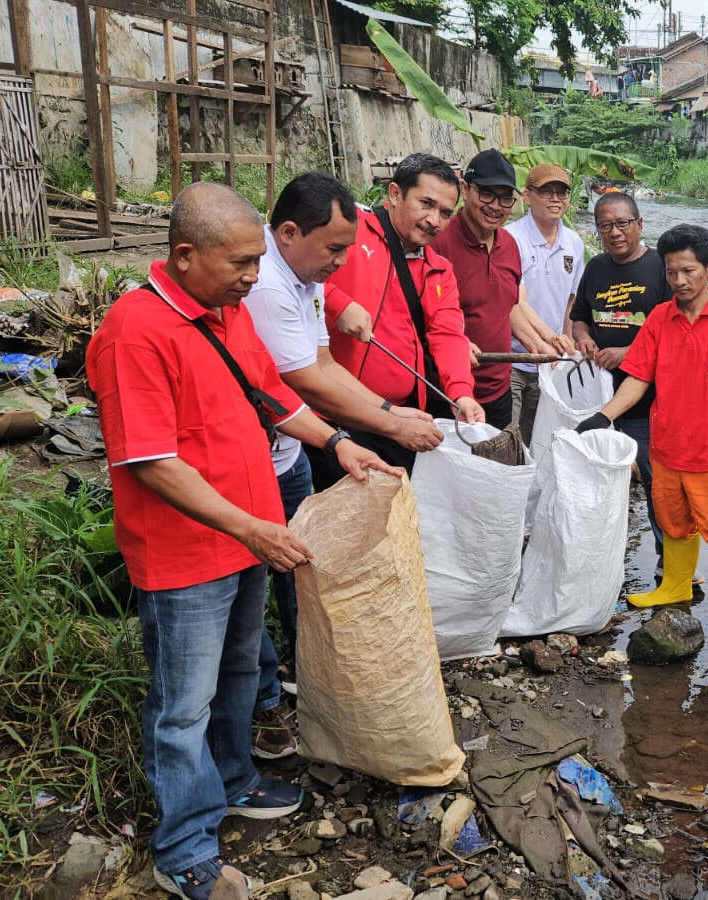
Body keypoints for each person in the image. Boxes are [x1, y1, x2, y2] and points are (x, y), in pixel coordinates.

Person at [87, 182, 397, 899]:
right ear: (185, 255)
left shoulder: (226, 313)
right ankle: (183, 846)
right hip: (186, 554)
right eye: (241, 263)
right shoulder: (137, 330)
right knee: (180, 706)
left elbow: (273, 394)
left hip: (249, 540)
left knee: (235, 678)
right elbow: (152, 463)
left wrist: (338, 442)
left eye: (259, 260)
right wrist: (252, 525)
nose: (254, 277)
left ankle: (232, 780)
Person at [241, 172, 443, 759]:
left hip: (286, 456)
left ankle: (310, 673)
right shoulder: (266, 285)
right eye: (333, 249)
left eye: (348, 247)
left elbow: (322, 357)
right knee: (253, 585)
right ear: (287, 232)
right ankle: (262, 706)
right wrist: (382, 423)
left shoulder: (305, 274)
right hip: (255, 461)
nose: (342, 260)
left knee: (303, 572)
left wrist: (385, 407)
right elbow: (306, 383)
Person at [575, 224, 708, 644]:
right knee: (674, 523)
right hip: (665, 447)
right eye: (672, 273)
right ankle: (674, 585)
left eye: (688, 271)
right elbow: (637, 378)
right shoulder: (660, 318)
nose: (679, 281)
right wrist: (602, 417)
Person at [316, 153, 483, 485]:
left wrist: (462, 393)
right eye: (426, 204)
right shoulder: (353, 231)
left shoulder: (439, 270)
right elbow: (292, 268)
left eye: (445, 213)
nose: (434, 220)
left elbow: (448, 334)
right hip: (339, 413)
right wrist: (335, 302)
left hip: (402, 418)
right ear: (395, 194)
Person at [570, 192, 671, 558]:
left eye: (622, 223)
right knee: (602, 476)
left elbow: (674, 335)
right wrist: (582, 338)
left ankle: (670, 561)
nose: (614, 232)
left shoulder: (661, 268)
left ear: (640, 225)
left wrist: (628, 353)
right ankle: (603, 553)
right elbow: (580, 314)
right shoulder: (596, 268)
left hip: (651, 403)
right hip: (603, 395)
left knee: (656, 481)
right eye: (605, 225)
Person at [429, 149, 527, 430]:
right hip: (445, 393)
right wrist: (458, 342)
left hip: (499, 389)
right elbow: (417, 320)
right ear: (465, 189)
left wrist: (543, 342)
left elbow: (506, 307)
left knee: (497, 468)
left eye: (505, 197)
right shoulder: (438, 242)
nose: (495, 206)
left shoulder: (508, 244)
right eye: (486, 193)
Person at [505, 163, 582, 443]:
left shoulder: (574, 243)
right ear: (527, 196)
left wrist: (567, 342)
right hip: (512, 357)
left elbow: (571, 300)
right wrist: (550, 339)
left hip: (551, 363)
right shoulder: (511, 238)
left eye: (561, 193)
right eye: (546, 192)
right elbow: (516, 299)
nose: (555, 199)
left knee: (538, 439)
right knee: (508, 438)